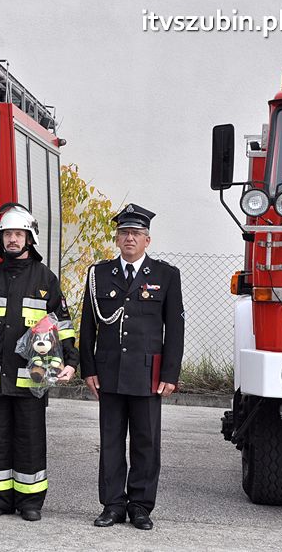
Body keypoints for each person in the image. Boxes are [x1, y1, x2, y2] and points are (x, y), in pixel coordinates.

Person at [0, 204, 78, 522]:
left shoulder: (46, 279)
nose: (12, 239)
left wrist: (71, 361)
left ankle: (30, 501)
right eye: (7, 234)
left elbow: (63, 325)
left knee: (30, 440)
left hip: (32, 379)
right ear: (1, 239)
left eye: (18, 234)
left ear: (29, 238)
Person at [79, 203, 184, 530]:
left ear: (147, 240)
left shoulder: (166, 275)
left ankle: (140, 506)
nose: (129, 238)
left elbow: (175, 328)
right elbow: (87, 326)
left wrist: (169, 374)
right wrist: (88, 368)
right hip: (109, 372)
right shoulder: (98, 274)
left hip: (147, 374)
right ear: (116, 238)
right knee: (110, 441)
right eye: (124, 232)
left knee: (146, 442)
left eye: (136, 233)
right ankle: (112, 505)